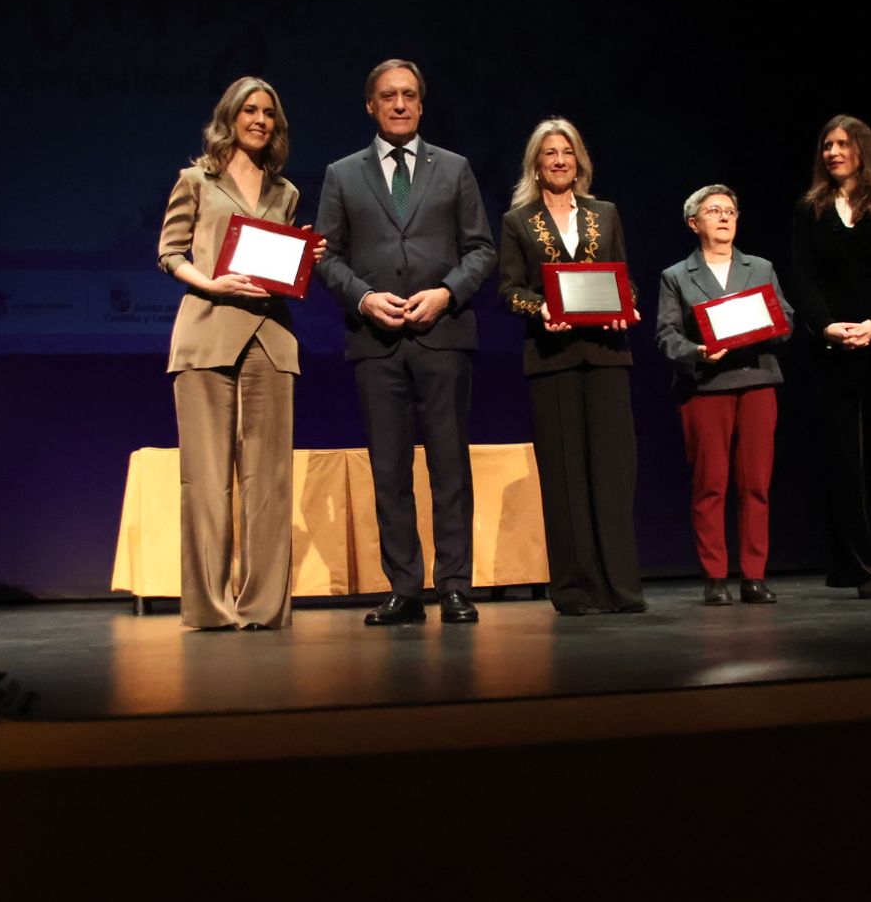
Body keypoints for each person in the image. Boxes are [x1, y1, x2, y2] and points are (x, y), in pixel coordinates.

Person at [315, 59, 497, 625]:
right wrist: (364, 298)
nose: (400, 104)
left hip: (443, 336)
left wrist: (446, 293)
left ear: (421, 104)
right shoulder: (342, 174)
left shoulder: (455, 168)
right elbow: (326, 256)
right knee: (389, 470)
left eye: (410, 95)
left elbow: (482, 250)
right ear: (371, 105)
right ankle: (405, 588)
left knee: (450, 468)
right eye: (389, 96)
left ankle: (455, 585)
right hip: (376, 342)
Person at [158, 76, 321, 630]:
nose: (259, 120)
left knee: (269, 482)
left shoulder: (285, 192)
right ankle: (210, 607)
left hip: (270, 338)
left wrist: (304, 257)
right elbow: (170, 253)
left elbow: (276, 267)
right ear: (229, 117)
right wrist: (212, 283)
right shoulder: (195, 181)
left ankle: (263, 606)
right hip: (207, 333)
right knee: (206, 480)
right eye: (249, 110)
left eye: (268, 113)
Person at [497, 118, 645, 615]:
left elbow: (623, 278)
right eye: (550, 153)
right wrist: (540, 309)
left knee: (612, 471)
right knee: (564, 477)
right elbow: (509, 290)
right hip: (552, 358)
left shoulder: (606, 213)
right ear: (536, 165)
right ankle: (575, 590)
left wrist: (627, 304)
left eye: (567, 152)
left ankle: (620, 588)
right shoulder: (518, 221)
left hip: (606, 354)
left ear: (579, 161)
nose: (559, 160)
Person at [787, 114, 871, 598]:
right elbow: (803, 276)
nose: (833, 152)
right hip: (834, 344)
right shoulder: (810, 208)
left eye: (843, 144)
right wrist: (825, 325)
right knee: (844, 454)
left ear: (863, 149)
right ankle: (859, 568)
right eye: (827, 145)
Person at [656, 185, 792, 606]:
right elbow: (666, 335)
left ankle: (754, 576)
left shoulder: (760, 268)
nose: (724, 217)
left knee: (756, 484)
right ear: (693, 223)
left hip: (756, 382)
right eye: (714, 211)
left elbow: (786, 318)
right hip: (707, 386)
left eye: (730, 211)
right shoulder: (677, 275)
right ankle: (715, 577)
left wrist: (770, 324)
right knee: (710, 484)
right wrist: (698, 351)